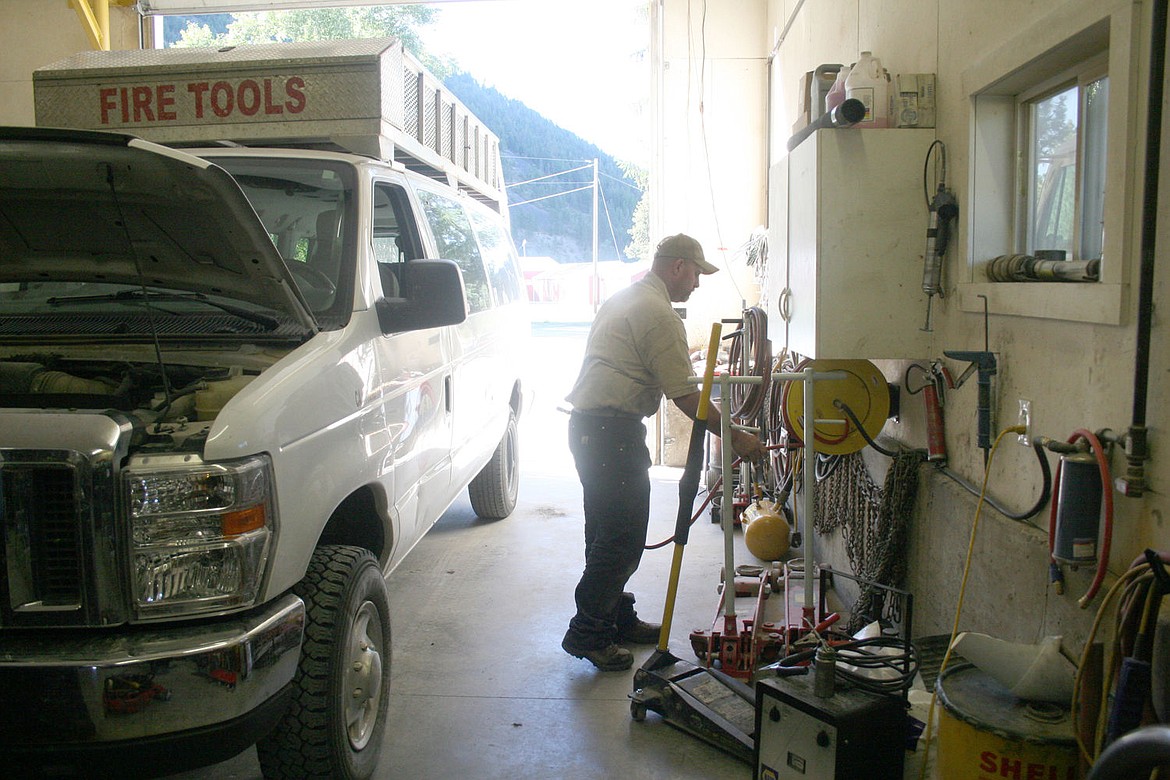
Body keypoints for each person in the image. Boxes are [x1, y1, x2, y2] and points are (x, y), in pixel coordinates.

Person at [561, 233, 767, 671]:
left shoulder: (629, 298)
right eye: (695, 273)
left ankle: (615, 617)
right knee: (620, 538)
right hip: (610, 434)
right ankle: (588, 633)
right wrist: (738, 438)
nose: (697, 283)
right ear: (677, 266)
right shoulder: (658, 314)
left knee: (605, 533)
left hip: (592, 429)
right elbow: (687, 398)